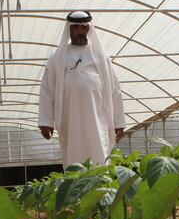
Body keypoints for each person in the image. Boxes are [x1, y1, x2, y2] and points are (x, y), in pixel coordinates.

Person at [38, 11, 125, 166]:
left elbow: (114, 89)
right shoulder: (58, 56)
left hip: (97, 115)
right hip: (70, 117)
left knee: (98, 147)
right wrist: (46, 121)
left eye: (83, 27)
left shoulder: (101, 55)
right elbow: (47, 90)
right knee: (73, 152)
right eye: (76, 27)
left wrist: (119, 122)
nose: (79, 31)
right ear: (69, 30)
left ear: (89, 29)